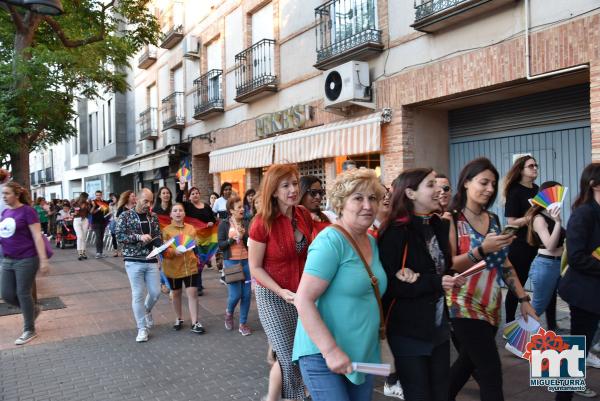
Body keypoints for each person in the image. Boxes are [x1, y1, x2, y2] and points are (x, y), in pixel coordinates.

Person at [447, 158, 538, 401]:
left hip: (491, 306)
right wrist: (481, 250)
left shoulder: (494, 221)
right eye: (483, 182)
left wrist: (523, 299)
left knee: (465, 365)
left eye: (493, 184)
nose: (489, 189)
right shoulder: (452, 219)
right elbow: (449, 265)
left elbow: (504, 263)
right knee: (490, 373)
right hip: (462, 305)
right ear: (466, 182)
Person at [293, 168, 387, 401]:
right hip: (323, 354)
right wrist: (330, 350)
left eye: (372, 198)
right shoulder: (331, 241)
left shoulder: (372, 242)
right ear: (341, 204)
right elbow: (303, 299)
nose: (367, 205)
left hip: (360, 353)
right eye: (358, 198)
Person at [379, 168, 466, 401]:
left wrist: (450, 277)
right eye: (430, 185)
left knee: (442, 394)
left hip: (438, 326)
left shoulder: (438, 224)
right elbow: (390, 286)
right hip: (408, 331)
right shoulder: (395, 232)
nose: (439, 190)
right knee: (419, 394)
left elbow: (440, 268)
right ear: (410, 193)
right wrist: (436, 282)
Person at [248, 164, 313, 401]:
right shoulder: (261, 222)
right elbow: (255, 267)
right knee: (288, 356)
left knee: (302, 352)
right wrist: (281, 290)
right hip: (272, 296)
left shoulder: (303, 215)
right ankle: (298, 397)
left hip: (301, 294)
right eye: (285, 185)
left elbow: (310, 254)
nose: (293, 189)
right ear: (274, 191)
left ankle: (274, 398)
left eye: (295, 183)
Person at [557, 163, 600, 401]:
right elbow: (576, 257)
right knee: (575, 349)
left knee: (578, 348)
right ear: (594, 185)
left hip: (594, 292)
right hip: (583, 293)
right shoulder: (584, 213)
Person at [0, 182, 51, 345]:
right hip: (7, 259)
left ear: (16, 194)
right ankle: (33, 310)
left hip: (27, 259)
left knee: (23, 292)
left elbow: (37, 236)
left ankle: (29, 329)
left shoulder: (28, 211)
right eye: (3, 194)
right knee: (7, 294)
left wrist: (43, 260)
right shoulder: (5, 212)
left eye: (7, 193)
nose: (4, 197)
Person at [115, 188, 163, 343]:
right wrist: (138, 237)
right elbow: (119, 236)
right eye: (145, 201)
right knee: (137, 294)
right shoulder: (125, 216)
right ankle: (141, 329)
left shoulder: (153, 216)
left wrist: (160, 246)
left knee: (156, 293)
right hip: (133, 260)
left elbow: (158, 236)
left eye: (150, 202)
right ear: (137, 199)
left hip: (151, 259)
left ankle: (147, 310)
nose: (148, 205)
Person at [503, 155, 541, 324]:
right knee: (517, 285)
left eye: (535, 165)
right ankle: (510, 323)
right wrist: (530, 218)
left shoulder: (537, 189)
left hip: (535, 242)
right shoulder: (515, 191)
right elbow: (511, 222)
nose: (535, 168)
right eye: (530, 166)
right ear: (521, 170)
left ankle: (549, 323)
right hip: (519, 245)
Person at [525, 181, 565, 328]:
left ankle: (553, 329)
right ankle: (516, 339)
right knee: (537, 307)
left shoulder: (550, 214)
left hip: (557, 264)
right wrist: (558, 222)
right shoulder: (539, 218)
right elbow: (550, 245)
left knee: (555, 299)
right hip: (546, 265)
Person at [161, 203, 205, 334]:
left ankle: (195, 322)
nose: (178, 213)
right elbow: (164, 251)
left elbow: (194, 245)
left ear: (184, 214)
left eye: (180, 210)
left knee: (192, 293)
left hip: (190, 266)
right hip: (173, 268)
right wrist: (174, 252)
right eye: (175, 210)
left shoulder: (191, 229)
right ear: (171, 214)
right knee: (176, 294)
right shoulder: (166, 231)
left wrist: (196, 245)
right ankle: (179, 318)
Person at [218, 195, 252, 336]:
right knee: (235, 294)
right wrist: (232, 240)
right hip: (231, 261)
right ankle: (229, 312)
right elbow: (221, 245)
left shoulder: (247, 222)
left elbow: (251, 243)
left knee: (246, 295)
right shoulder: (224, 224)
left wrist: (244, 236)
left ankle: (243, 323)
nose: (242, 209)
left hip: (247, 261)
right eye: (238, 207)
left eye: (242, 207)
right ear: (231, 210)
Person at [177, 182, 217, 294]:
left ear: (199, 195)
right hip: (193, 239)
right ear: (189, 197)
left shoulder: (206, 206)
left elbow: (213, 219)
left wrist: (210, 222)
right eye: (192, 193)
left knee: (202, 262)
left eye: (197, 193)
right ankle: (197, 286)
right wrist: (181, 189)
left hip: (207, 239)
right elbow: (179, 200)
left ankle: (198, 282)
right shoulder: (188, 207)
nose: (195, 195)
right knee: (197, 261)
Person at [90, 190, 110, 258]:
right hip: (96, 222)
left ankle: (101, 252)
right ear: (95, 195)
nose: (98, 196)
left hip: (103, 222)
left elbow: (107, 212)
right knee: (98, 237)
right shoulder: (94, 202)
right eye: (97, 195)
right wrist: (98, 208)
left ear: (102, 195)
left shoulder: (105, 202)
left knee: (101, 237)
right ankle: (98, 253)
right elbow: (91, 212)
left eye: (99, 195)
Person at [72, 192, 91, 260]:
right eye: (85, 198)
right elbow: (72, 213)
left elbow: (89, 212)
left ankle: (83, 252)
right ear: (82, 197)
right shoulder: (75, 203)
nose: (86, 199)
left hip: (85, 220)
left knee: (83, 237)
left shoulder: (87, 203)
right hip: (77, 220)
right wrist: (75, 212)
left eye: (86, 198)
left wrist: (90, 207)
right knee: (79, 236)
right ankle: (79, 253)